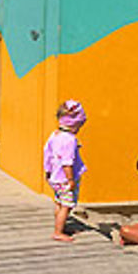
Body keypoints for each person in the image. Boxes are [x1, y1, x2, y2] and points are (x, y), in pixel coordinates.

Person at [43, 100, 87, 242]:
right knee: (66, 206)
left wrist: (47, 171)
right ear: (74, 124)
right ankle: (58, 232)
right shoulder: (70, 140)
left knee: (59, 203)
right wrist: (70, 180)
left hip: (54, 177)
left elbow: (47, 153)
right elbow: (67, 162)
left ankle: (60, 226)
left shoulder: (55, 135)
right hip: (64, 179)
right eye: (79, 126)